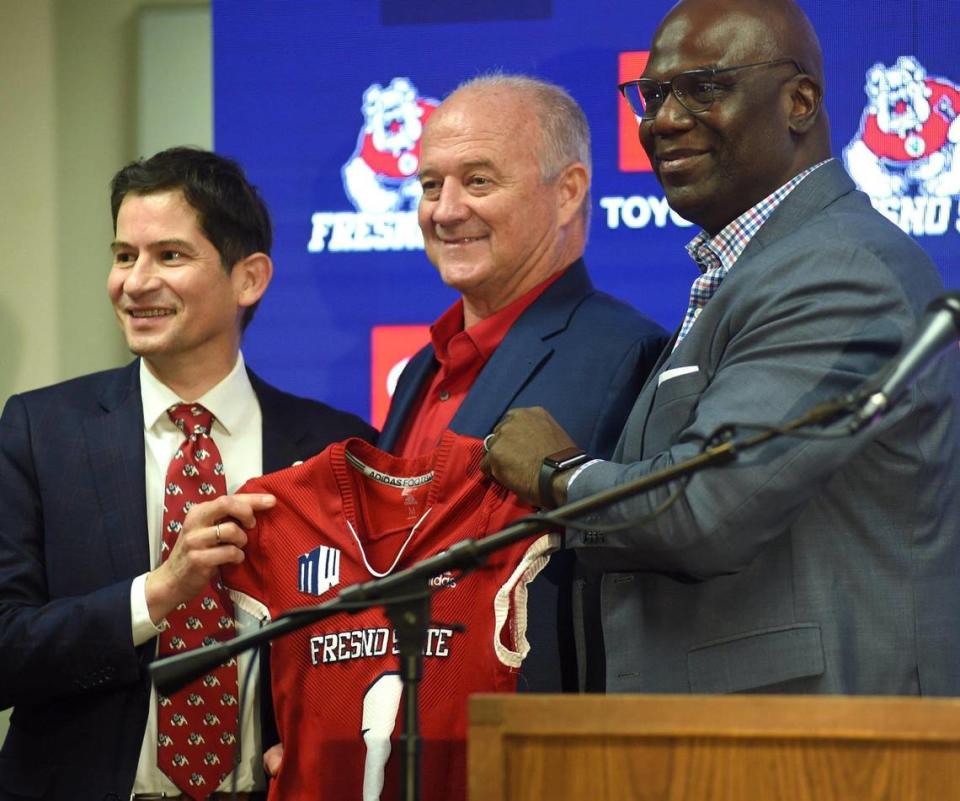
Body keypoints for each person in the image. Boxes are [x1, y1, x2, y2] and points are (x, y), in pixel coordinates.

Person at [485, 0, 960, 696]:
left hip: (818, 750)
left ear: (799, 101)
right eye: (652, 95)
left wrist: (562, 472)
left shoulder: (841, 268)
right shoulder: (753, 270)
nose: (663, 120)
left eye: (705, 87)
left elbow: (706, 509)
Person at [0, 147, 374, 799]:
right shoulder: (41, 431)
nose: (135, 282)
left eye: (169, 255)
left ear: (249, 278)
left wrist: (324, 734)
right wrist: (157, 593)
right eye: (123, 255)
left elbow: (368, 648)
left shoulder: (332, 447)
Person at [378, 74, 669, 691]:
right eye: (431, 185)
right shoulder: (423, 368)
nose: (446, 210)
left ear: (567, 192)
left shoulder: (627, 353)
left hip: (535, 746)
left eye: (478, 181)